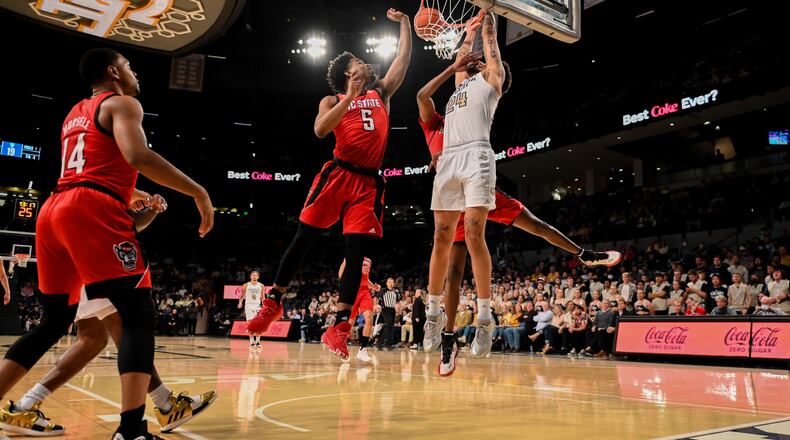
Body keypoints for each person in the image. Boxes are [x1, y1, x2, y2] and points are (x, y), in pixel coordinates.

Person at [0, 48, 213, 440]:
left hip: (54, 210)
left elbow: (105, 172)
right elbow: (138, 155)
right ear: (114, 72)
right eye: (130, 67)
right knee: (135, 317)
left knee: (53, 324)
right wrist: (197, 191)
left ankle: (160, 405)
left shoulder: (74, 113)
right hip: (87, 208)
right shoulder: (123, 103)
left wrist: (139, 212)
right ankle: (133, 428)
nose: (136, 74)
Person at [417, 14, 619, 375]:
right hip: (452, 174)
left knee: (533, 224)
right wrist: (469, 30)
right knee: (452, 267)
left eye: (487, 65)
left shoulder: (486, 86)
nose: (477, 65)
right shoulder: (447, 105)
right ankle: (448, 339)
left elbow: (490, 54)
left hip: (475, 172)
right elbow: (456, 64)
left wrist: (489, 18)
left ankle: (583, 253)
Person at [247, 9, 412, 363]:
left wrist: (405, 24)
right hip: (337, 175)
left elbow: (401, 59)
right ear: (349, 75)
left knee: (356, 254)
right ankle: (274, 302)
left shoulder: (381, 93)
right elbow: (321, 130)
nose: (367, 63)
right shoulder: (332, 100)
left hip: (368, 184)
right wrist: (349, 98)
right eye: (359, 62)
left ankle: (338, 327)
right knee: (303, 239)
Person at [0, 193, 215, 436]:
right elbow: (125, 221)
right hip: (91, 258)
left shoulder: (83, 183)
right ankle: (162, 406)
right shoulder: (103, 181)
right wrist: (195, 191)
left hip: (74, 254)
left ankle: (25, 405)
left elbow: (126, 224)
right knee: (126, 329)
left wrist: (150, 209)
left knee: (92, 340)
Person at [342, 257, 380, 362]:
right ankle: (343, 349)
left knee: (369, 318)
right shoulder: (352, 256)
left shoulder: (369, 260)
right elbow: (342, 275)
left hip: (365, 292)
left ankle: (363, 349)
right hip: (353, 291)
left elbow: (365, 279)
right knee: (350, 323)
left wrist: (373, 286)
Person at [238, 271, 264, 348]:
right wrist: (240, 303)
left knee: (259, 324)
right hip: (248, 305)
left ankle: (258, 341)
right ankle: (252, 342)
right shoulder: (246, 285)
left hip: (257, 305)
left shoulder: (261, 285)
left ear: (258, 277)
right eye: (253, 275)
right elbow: (242, 295)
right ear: (250, 276)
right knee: (250, 324)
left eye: (256, 275)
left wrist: (264, 305)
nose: (254, 276)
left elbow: (263, 297)